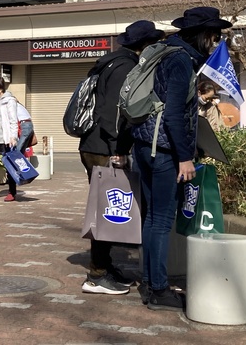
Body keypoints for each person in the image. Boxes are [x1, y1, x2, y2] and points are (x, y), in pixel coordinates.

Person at [132, 6, 231, 311]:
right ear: (202, 35)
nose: (215, 43)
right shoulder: (180, 61)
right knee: (162, 220)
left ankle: (149, 282)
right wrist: (184, 157)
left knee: (152, 218)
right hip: (163, 151)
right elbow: (174, 113)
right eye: (214, 37)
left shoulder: (164, 52)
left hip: (145, 144)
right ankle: (159, 290)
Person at [79, 19, 163, 296]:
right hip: (104, 147)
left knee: (109, 208)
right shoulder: (125, 67)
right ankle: (96, 275)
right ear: (145, 44)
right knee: (108, 211)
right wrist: (119, 150)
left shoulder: (111, 62)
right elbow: (113, 114)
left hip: (97, 144)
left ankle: (104, 266)